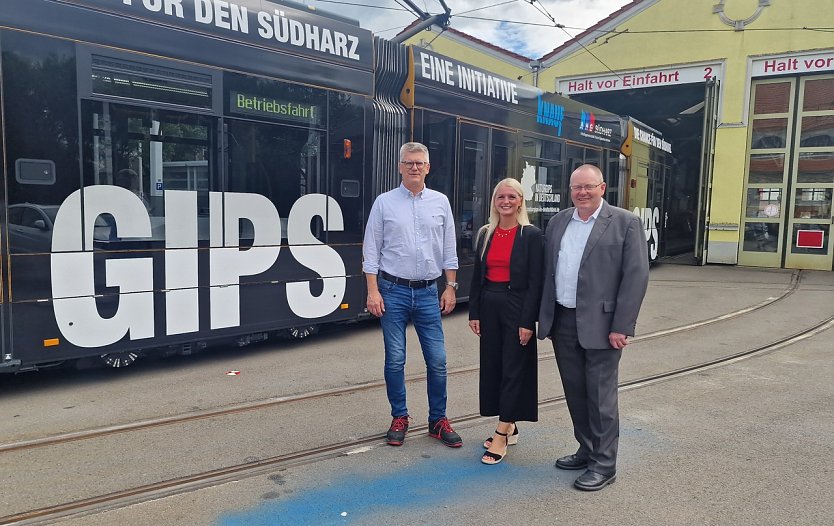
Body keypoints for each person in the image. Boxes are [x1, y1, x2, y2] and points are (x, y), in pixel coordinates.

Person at [537, 164, 649, 491]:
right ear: (570, 190)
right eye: (576, 188)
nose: (582, 193)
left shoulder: (625, 223)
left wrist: (622, 325)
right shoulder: (559, 221)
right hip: (563, 320)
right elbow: (549, 272)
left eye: (589, 187)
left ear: (602, 188)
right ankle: (586, 450)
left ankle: (604, 464)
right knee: (576, 393)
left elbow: (636, 277)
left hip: (604, 324)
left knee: (600, 397)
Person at [363, 142, 462, 448]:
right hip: (392, 291)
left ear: (428, 167)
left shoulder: (441, 202)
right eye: (409, 163)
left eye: (420, 163)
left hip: (429, 292)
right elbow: (371, 250)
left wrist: (451, 286)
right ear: (400, 167)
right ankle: (400, 417)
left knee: (438, 361)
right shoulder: (384, 203)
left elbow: (449, 248)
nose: (414, 167)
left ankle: (438, 420)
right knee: (395, 360)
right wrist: (372, 291)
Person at [468, 178, 543, 465]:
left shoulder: (531, 235)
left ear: (521, 201)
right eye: (501, 196)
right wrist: (474, 312)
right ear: (494, 201)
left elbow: (535, 283)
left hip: (516, 305)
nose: (506, 201)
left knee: (514, 368)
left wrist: (528, 322)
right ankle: (509, 424)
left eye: (512, 196)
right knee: (494, 367)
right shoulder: (486, 233)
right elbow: (477, 278)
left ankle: (501, 433)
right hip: (489, 304)